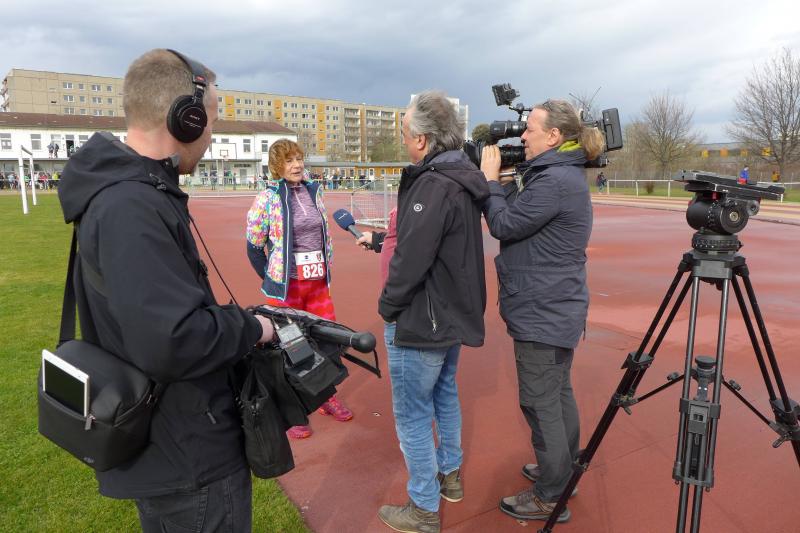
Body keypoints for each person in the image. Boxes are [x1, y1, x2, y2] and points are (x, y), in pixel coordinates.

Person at [57, 49, 276, 533]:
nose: (212, 133)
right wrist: (254, 328)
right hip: (186, 455)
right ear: (186, 117)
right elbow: (173, 340)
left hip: (174, 443)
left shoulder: (133, 192)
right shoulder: (131, 205)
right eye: (211, 117)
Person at [480, 99, 605, 524]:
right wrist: (507, 180)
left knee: (540, 402)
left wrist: (490, 180)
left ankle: (551, 495)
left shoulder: (554, 181)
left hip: (543, 309)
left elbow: (503, 224)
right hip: (553, 305)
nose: (522, 136)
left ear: (553, 136)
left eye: (530, 129)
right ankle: (561, 473)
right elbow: (519, 215)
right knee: (558, 393)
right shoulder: (557, 174)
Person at [369, 90, 488, 533]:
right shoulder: (461, 178)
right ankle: (449, 475)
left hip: (424, 318)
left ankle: (423, 508)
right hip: (450, 312)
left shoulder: (433, 184)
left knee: (413, 414)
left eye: (404, 133)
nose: (403, 141)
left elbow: (412, 257)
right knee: (444, 395)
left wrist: (388, 306)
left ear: (421, 139)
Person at [246, 138, 352, 440]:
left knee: (328, 341)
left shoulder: (313, 191)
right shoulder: (267, 198)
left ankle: (326, 397)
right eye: (289, 160)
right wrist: (271, 278)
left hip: (316, 283)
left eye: (299, 159)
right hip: (287, 288)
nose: (296, 165)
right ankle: (292, 410)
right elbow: (254, 246)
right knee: (292, 346)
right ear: (277, 166)